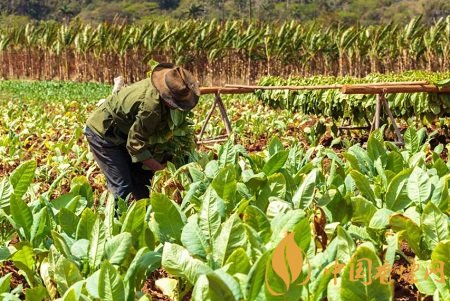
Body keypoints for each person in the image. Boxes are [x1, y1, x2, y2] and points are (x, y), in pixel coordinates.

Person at [84, 63, 200, 200]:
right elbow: (135, 146)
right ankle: (114, 220)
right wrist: (164, 171)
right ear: (168, 99)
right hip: (104, 134)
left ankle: (145, 217)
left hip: (125, 133)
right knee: (122, 187)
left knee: (144, 182)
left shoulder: (161, 85)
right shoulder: (151, 109)